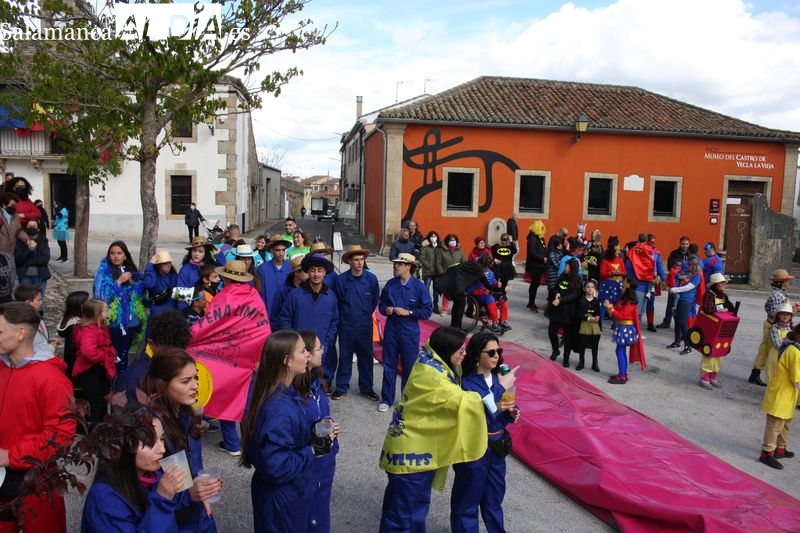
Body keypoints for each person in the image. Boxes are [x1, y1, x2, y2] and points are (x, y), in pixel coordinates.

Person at [378, 327, 502, 532]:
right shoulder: (433, 375)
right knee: (407, 515)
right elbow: (465, 402)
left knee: (399, 508)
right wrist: (499, 390)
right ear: (446, 349)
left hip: (412, 450)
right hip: (412, 455)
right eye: (460, 350)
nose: (464, 353)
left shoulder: (432, 360)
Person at [0, 302, 76, 532]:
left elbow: (60, 436)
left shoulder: (52, 380)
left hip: (37, 483)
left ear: (20, 334)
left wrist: (11, 455)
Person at [240, 330, 317, 532]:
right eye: (302, 351)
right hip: (282, 500)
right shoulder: (279, 408)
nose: (308, 355)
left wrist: (312, 435)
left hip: (280, 496)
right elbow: (277, 467)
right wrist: (312, 450)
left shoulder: (273, 391)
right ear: (287, 361)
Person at [141, 348, 220, 530]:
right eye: (185, 381)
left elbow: (190, 473)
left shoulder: (185, 414)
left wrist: (202, 490)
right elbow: (151, 492)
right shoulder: (153, 429)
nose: (195, 386)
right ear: (163, 384)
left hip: (197, 517)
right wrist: (189, 494)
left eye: (195, 378)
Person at [80, 407, 196, 532]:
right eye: (149, 442)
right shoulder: (104, 501)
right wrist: (162, 500)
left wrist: (192, 493)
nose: (162, 448)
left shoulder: (153, 475)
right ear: (122, 448)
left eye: (161, 438)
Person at [451, 331, 519, 533]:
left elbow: (502, 409)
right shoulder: (467, 383)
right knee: (467, 499)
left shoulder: (499, 379)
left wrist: (512, 412)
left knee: (494, 498)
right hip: (474, 449)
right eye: (491, 352)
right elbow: (482, 412)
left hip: (496, 448)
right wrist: (502, 387)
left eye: (498, 351)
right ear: (477, 355)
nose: (496, 356)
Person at [296, 330, 341, 531]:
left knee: (320, 517)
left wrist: (331, 429)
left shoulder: (317, 383)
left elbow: (320, 419)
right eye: (319, 348)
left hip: (323, 464)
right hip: (306, 469)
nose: (323, 351)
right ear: (305, 354)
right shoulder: (292, 394)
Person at [377, 253, 432, 412]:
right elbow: (382, 304)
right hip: (392, 330)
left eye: (400, 264)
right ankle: (387, 399)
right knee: (389, 365)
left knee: (409, 367)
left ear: (409, 266)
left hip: (409, 332)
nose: (396, 266)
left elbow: (427, 311)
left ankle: (406, 401)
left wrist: (409, 312)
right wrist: (386, 310)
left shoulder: (419, 287)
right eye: (396, 263)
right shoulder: (391, 285)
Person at [276, 253, 339, 386]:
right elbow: (284, 319)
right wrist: (292, 344)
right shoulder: (295, 295)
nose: (316, 274)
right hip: (298, 352)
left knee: (317, 388)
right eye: (312, 270)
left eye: (319, 270)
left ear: (325, 273)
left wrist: (325, 346)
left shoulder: (331, 297)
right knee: (296, 387)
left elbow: (333, 323)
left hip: (320, 351)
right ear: (308, 272)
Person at [115, 310, 193, 406]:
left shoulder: (182, 369)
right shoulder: (131, 380)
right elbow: (126, 418)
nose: (173, 357)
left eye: (179, 351)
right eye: (168, 351)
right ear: (152, 344)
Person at [333, 245, 380, 401]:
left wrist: (364, 314)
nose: (360, 263)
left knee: (366, 357)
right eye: (356, 260)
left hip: (365, 325)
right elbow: (336, 303)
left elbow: (374, 300)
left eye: (362, 259)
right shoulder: (341, 281)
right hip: (346, 326)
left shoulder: (371, 279)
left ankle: (367, 388)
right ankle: (341, 387)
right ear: (350, 262)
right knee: (345, 356)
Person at [93, 240, 147, 374]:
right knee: (116, 353)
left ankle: (121, 378)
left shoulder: (131, 271)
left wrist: (133, 284)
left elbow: (140, 295)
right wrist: (118, 282)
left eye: (119, 253)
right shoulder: (103, 273)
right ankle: (117, 379)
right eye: (112, 253)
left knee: (124, 352)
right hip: (114, 321)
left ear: (125, 255)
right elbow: (101, 297)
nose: (116, 256)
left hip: (131, 320)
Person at [757, 324, 800, 470]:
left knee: (785, 423)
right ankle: (767, 452)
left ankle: (780, 448)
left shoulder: (794, 348)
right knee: (775, 424)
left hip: (787, 394)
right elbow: (796, 378)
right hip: (781, 393)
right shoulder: (794, 351)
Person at [750, 268, 796, 387]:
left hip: (772, 324)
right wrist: (792, 312)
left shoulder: (779, 293)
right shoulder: (777, 295)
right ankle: (767, 377)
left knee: (765, 349)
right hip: (773, 325)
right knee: (772, 352)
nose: (788, 282)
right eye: (787, 280)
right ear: (781, 282)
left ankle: (755, 373)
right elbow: (777, 314)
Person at [73, 299, 117, 424]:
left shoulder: (96, 327)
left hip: (97, 370)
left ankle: (101, 425)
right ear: (97, 314)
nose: (107, 313)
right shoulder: (90, 330)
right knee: (97, 402)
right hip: (90, 371)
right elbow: (88, 351)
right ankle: (96, 429)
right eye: (105, 310)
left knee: (102, 399)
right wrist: (103, 356)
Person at [697, 273, 736, 389]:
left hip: (722, 328)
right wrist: (723, 310)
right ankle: (704, 376)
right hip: (711, 327)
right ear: (715, 284)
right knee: (709, 352)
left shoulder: (723, 296)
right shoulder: (709, 295)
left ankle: (713, 374)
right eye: (722, 283)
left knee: (720, 351)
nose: (724, 285)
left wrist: (728, 309)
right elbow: (708, 309)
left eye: (724, 283)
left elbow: (731, 308)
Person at [603, 281, 642, 384]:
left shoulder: (630, 302)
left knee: (620, 351)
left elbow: (622, 315)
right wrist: (610, 307)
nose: (622, 288)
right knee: (620, 350)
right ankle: (622, 373)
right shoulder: (623, 299)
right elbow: (615, 309)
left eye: (623, 287)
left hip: (625, 328)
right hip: (621, 326)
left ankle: (622, 376)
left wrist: (610, 308)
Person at [547, 257, 581, 366]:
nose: (565, 267)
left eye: (566, 266)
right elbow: (555, 287)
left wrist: (561, 300)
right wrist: (556, 293)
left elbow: (575, 295)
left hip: (569, 311)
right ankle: (555, 350)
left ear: (571, 268)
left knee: (568, 337)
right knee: (552, 331)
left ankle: (566, 357)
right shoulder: (562, 276)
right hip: (557, 309)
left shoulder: (577, 280)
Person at [468, 254, 510, 333]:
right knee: (490, 299)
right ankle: (495, 322)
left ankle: (503, 321)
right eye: (487, 265)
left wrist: (498, 284)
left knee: (503, 299)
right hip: (478, 293)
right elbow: (470, 288)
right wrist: (483, 291)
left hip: (489, 292)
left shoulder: (490, 272)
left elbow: (493, 283)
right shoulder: (475, 271)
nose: (488, 267)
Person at [668, 259, 702, 355]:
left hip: (686, 299)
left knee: (683, 322)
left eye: (688, 265)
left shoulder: (697, 276)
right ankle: (677, 341)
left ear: (692, 265)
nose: (686, 267)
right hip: (678, 298)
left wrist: (675, 289)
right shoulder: (687, 274)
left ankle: (688, 346)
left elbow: (689, 287)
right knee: (677, 320)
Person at [658, 236, 691, 328]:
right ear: (680, 244)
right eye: (683, 244)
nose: (685, 246)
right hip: (675, 281)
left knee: (684, 303)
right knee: (671, 302)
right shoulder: (674, 254)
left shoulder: (691, 255)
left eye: (687, 244)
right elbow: (669, 266)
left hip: (686, 282)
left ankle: (683, 323)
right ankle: (667, 321)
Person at [14, 219, 50, 297]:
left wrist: (27, 262)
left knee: (38, 299)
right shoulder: (19, 241)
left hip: (40, 275)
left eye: (34, 226)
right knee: (25, 298)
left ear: (38, 228)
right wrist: (30, 249)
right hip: (24, 275)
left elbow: (45, 259)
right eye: (29, 226)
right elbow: (18, 259)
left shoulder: (43, 240)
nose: (31, 227)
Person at [177, 236, 217, 309]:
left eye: (200, 251)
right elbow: (181, 294)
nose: (196, 254)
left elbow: (223, 275)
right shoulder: (185, 269)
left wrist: (219, 255)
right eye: (194, 250)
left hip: (212, 308)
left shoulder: (211, 267)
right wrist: (186, 313)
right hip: (192, 309)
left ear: (205, 253)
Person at [57, 290, 90, 378]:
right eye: (88, 301)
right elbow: (73, 351)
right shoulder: (74, 326)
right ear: (81, 305)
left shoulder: (70, 320)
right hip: (77, 367)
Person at [437, 233, 466, 320]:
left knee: (458, 291)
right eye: (451, 240)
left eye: (454, 240)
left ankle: (457, 307)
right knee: (446, 292)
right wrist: (441, 272)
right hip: (446, 274)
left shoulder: (460, 250)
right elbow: (438, 262)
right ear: (447, 241)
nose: (452, 241)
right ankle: (445, 309)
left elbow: (463, 261)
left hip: (458, 274)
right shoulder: (442, 250)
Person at [598, 236, 625, 324]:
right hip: (607, 284)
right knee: (604, 304)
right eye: (617, 250)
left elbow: (625, 273)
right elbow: (602, 274)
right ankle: (600, 323)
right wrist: (611, 273)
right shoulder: (605, 261)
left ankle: (615, 323)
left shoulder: (620, 260)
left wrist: (620, 272)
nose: (619, 252)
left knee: (617, 304)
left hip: (618, 284)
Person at [143, 250, 179, 317]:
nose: (169, 265)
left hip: (170, 311)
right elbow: (149, 285)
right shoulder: (153, 275)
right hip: (156, 311)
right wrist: (150, 264)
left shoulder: (173, 275)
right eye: (165, 263)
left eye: (170, 263)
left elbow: (175, 293)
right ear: (159, 265)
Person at [577, 279, 602, 372]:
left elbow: (599, 312)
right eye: (588, 287)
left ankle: (594, 362)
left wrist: (598, 317)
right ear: (584, 289)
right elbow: (579, 314)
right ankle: (581, 361)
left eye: (592, 287)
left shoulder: (596, 301)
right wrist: (588, 318)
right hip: (584, 325)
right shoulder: (581, 301)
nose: (590, 289)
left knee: (595, 345)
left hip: (594, 326)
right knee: (582, 344)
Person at [766, 303, 794, 385]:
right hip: (775, 355)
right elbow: (777, 344)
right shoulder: (774, 327)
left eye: (788, 314)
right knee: (772, 376)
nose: (785, 316)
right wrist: (789, 344)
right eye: (783, 313)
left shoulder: (792, 329)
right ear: (778, 315)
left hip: (787, 356)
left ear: (791, 316)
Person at [525, 220, 548, 313]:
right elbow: (532, 253)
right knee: (534, 284)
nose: (543, 229)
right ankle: (530, 303)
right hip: (535, 265)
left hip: (539, 265)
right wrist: (542, 259)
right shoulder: (532, 238)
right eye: (541, 227)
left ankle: (532, 303)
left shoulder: (539, 238)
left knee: (536, 283)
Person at [419, 232, 442, 314]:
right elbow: (421, 258)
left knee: (436, 290)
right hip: (428, 271)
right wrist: (428, 265)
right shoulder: (425, 247)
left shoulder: (440, 247)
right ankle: (426, 304)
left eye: (435, 236)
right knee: (426, 288)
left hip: (437, 272)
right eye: (432, 236)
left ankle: (435, 305)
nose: (433, 237)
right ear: (429, 237)